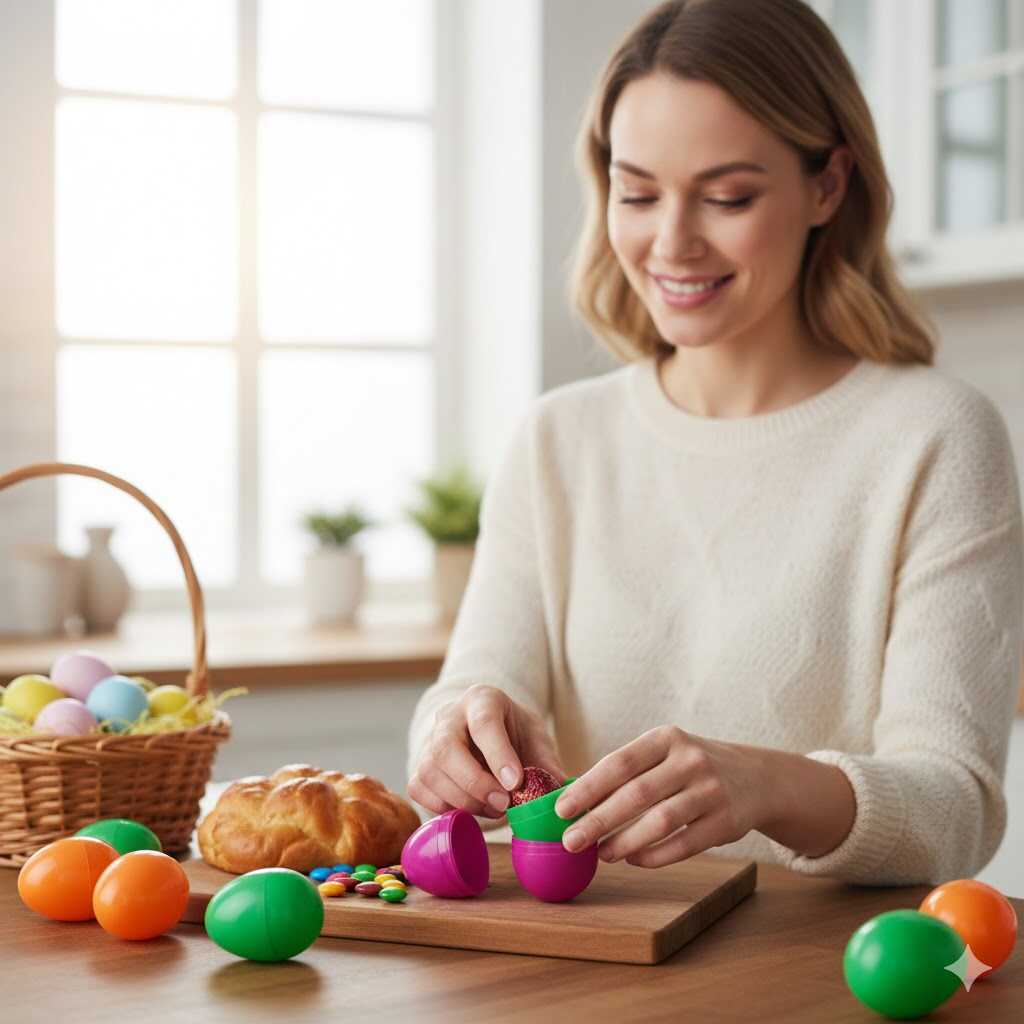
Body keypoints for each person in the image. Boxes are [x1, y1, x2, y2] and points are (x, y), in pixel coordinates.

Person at [405, 0, 1024, 886]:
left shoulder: (935, 438)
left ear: (828, 185)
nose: (672, 242)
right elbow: (468, 688)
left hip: (820, 985)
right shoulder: (559, 440)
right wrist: (453, 731)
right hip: (578, 973)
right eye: (638, 192)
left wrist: (767, 785)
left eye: (728, 196)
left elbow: (955, 811)